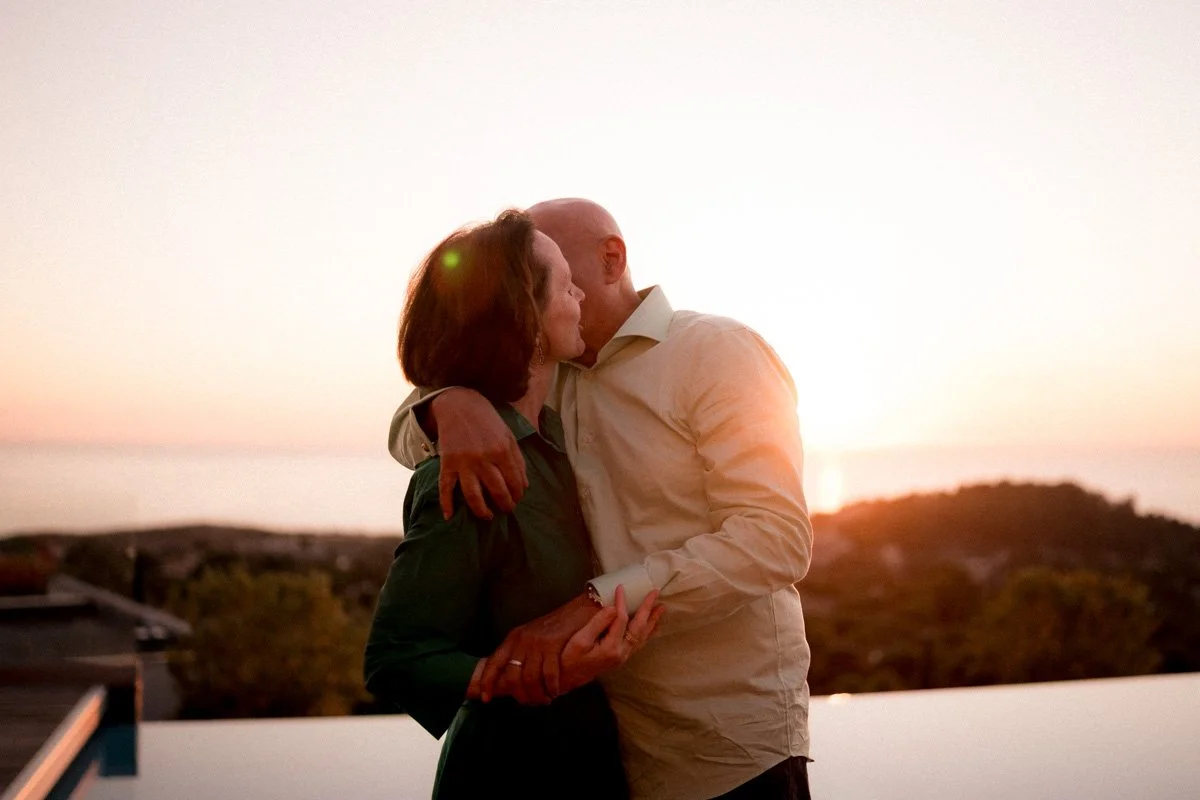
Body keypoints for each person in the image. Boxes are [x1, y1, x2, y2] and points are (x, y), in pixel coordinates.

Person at [389, 198, 815, 800]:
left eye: (560, 271)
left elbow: (776, 540)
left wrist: (596, 603)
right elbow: (410, 445)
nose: (549, 292)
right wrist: (446, 404)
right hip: (592, 747)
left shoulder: (719, 352)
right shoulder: (542, 370)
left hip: (723, 746)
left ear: (612, 259)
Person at [364, 209, 664, 800]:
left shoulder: (554, 441)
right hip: (511, 774)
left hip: (591, 759)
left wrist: (443, 400)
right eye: (562, 280)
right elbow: (395, 659)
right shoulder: (467, 475)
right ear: (525, 320)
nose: (578, 290)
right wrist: (527, 678)